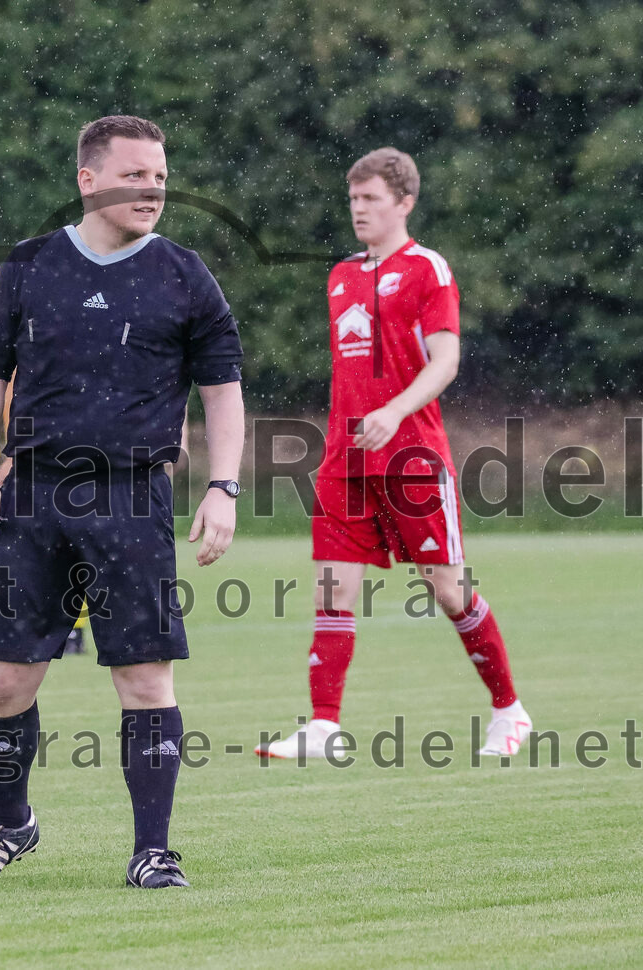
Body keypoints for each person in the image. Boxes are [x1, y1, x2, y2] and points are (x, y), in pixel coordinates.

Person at [0, 115, 245, 888]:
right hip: (34, 493)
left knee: (145, 678)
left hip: (133, 498)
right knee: (5, 684)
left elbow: (223, 392)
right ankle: (11, 824)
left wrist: (223, 486)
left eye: (160, 174)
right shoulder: (32, 265)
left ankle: (153, 848)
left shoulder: (185, 274)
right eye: (136, 173)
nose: (154, 187)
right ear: (88, 178)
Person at [257, 147, 532, 761]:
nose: (359, 210)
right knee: (332, 592)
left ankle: (509, 711)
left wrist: (394, 410)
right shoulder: (341, 276)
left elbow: (446, 360)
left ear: (404, 203)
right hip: (343, 461)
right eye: (353, 199)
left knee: (450, 592)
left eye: (371, 199)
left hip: (411, 458)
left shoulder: (427, 270)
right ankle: (324, 727)